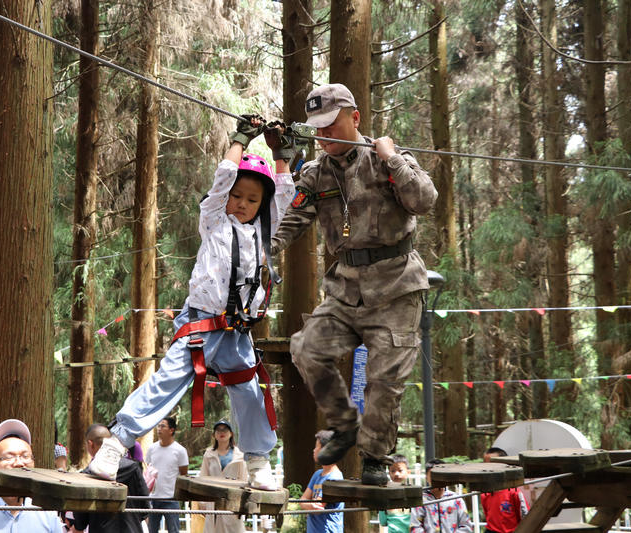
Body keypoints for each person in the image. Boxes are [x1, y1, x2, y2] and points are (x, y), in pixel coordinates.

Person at [88, 116, 296, 493]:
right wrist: (241, 140)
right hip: (202, 325)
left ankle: (258, 459)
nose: (242, 204)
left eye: (252, 200)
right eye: (237, 196)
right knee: (167, 382)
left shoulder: (264, 233)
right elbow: (221, 181)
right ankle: (116, 443)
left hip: (238, 332)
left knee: (249, 391)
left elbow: (283, 194)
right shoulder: (214, 220)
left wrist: (281, 152)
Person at [271, 83, 438, 485]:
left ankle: (376, 457)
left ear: (355, 118)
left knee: (384, 380)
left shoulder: (388, 161)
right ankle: (344, 424)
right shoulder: (315, 174)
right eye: (318, 128)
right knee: (306, 348)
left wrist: (392, 158)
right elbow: (294, 219)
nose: (324, 136)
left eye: (331, 125)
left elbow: (424, 200)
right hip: (345, 288)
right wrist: (266, 251)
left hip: (396, 285)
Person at [71, 424, 149, 533]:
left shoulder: (86, 476)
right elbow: (144, 507)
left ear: (90, 444)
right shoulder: (133, 468)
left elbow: (80, 521)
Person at [141, 417, 189, 533]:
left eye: (163, 426)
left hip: (171, 498)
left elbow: (183, 474)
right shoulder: (152, 448)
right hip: (153, 498)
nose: (159, 429)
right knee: (152, 530)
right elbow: (148, 469)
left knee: (173, 530)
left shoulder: (180, 450)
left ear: (171, 430)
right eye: (158, 426)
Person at [199, 419, 248, 533]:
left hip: (233, 500)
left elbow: (244, 479)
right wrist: (202, 503)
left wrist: (242, 503)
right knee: (213, 529)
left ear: (231, 433)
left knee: (234, 529)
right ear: (214, 435)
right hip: (213, 500)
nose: (222, 432)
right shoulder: (209, 454)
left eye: (225, 429)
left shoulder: (239, 454)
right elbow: (203, 477)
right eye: (218, 430)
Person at [410, 459, 472, 533]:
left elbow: (466, 526)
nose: (437, 479)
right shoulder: (421, 501)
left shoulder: (456, 499)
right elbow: (415, 527)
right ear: (427, 477)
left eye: (441, 475)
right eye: (433, 475)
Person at [299, 430, 344, 533]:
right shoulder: (317, 474)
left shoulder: (335, 477)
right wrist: (309, 505)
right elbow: (302, 500)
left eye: (317, 447)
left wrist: (307, 504)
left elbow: (318, 506)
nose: (314, 450)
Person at [480, 448, 528, 533]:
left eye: (492, 465)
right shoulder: (485, 492)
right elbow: (488, 516)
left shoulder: (514, 492)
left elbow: (525, 517)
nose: (488, 469)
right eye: (485, 465)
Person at [378, 454, 412, 533]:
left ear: (408, 472)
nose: (396, 474)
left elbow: (383, 521)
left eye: (400, 470)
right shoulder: (384, 496)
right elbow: (383, 522)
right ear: (389, 473)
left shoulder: (385, 495)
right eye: (393, 471)